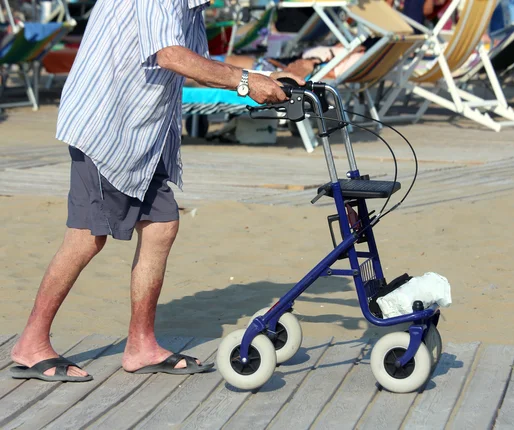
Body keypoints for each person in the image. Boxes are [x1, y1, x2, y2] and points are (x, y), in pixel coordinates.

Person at [10, 0, 303, 382]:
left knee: (161, 226)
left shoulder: (192, 8)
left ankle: (141, 345)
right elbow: (171, 56)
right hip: (108, 125)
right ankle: (31, 343)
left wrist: (266, 75)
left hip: (146, 133)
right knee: (87, 236)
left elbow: (198, 62)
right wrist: (244, 81)